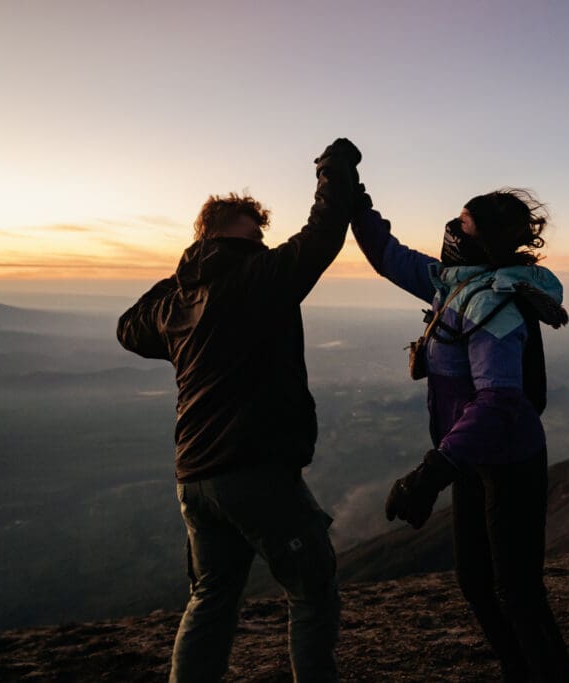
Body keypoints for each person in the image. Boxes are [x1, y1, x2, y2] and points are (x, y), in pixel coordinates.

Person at [116, 138, 362, 683]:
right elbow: (323, 233)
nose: (262, 241)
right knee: (311, 587)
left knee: (212, 595)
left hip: (194, 479)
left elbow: (128, 325)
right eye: (255, 233)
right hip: (255, 471)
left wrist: (188, 269)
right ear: (241, 235)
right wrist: (334, 167)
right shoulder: (258, 279)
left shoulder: (175, 306)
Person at [351, 178, 569, 681]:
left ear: (484, 239)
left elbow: (499, 401)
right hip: (471, 458)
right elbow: (389, 257)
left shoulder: (493, 303)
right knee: (477, 583)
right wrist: (351, 198)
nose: (452, 227)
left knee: (517, 593)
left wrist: (432, 472)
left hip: (510, 462)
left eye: (464, 222)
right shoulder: (452, 283)